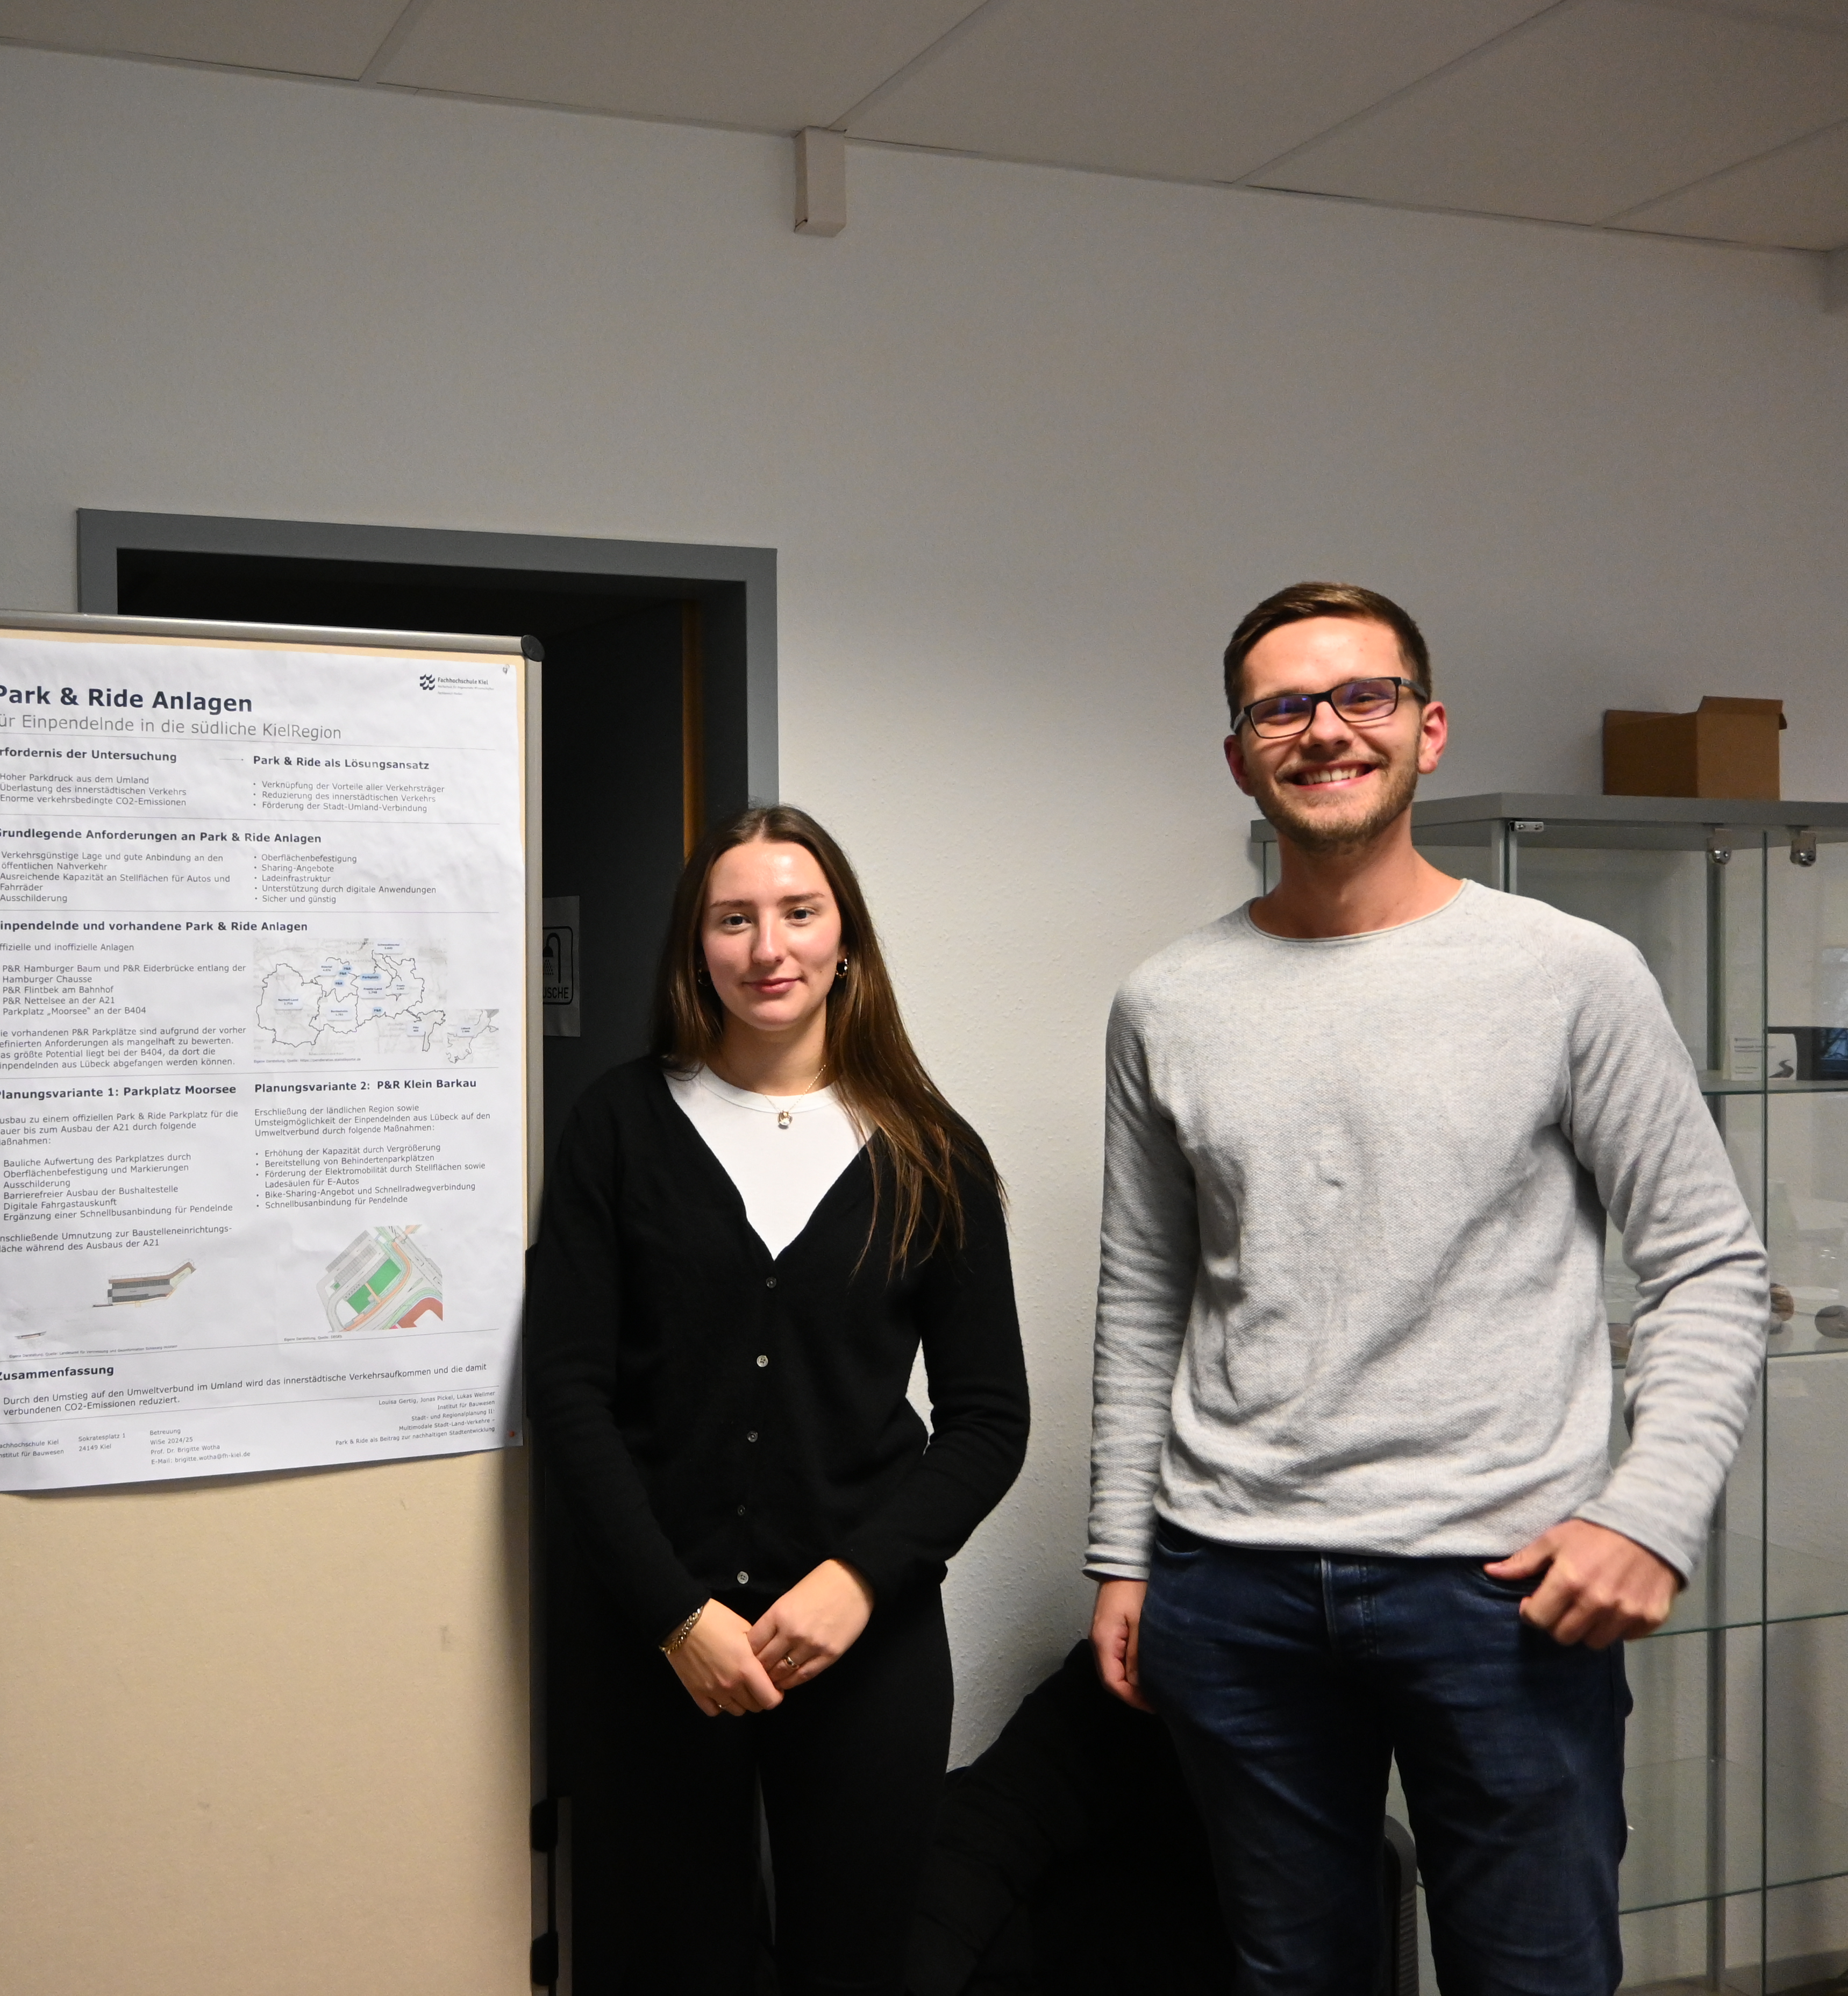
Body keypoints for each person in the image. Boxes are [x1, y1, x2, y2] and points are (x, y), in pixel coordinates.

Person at [1086, 581, 1769, 1994]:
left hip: (1500, 1585)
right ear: (1238, 753)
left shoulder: (1570, 975)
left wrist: (1648, 1512)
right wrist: (1122, 1551)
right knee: (1294, 1975)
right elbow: (1146, 1286)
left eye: (1363, 698)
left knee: (1535, 1974)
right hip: (1234, 1582)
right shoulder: (1168, 1000)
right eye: (1284, 706)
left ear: (1428, 730)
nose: (1325, 729)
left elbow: (1707, 1258)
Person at [529, 804, 1031, 1996]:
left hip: (865, 1643)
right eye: (735, 918)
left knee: (854, 1959)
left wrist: (857, 1581)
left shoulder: (929, 1148)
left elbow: (987, 1418)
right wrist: (676, 1614)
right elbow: (568, 1388)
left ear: (844, 937)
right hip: (654, 1641)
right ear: (695, 947)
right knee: (663, 1960)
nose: (771, 947)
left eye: (800, 913)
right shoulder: (618, 1122)